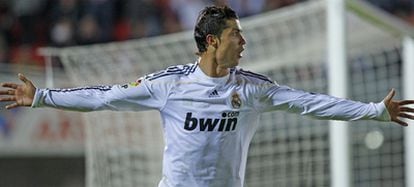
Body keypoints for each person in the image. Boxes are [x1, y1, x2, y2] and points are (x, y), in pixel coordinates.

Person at [1, 5, 414, 187]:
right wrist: (42, 97)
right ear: (214, 41)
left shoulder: (251, 88)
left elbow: (311, 103)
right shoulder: (171, 86)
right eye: (236, 34)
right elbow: (105, 97)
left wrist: (375, 111)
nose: (244, 41)